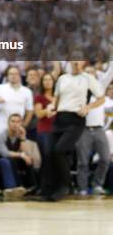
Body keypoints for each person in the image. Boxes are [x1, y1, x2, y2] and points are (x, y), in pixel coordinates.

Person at [41, 60, 104, 201]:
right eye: (73, 60)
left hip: (76, 119)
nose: (75, 62)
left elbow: (101, 99)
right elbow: (57, 99)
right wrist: (52, 108)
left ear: (83, 63)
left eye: (79, 60)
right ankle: (49, 189)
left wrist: (88, 107)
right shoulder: (63, 78)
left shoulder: (88, 78)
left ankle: (65, 186)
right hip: (60, 118)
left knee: (60, 150)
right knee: (50, 152)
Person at [76, 61, 113, 196]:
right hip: (83, 129)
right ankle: (82, 188)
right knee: (83, 162)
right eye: (87, 73)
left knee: (105, 158)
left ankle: (97, 184)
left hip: (99, 129)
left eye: (92, 73)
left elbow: (110, 72)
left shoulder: (100, 87)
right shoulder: (78, 89)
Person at [34, 72, 57, 160]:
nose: (47, 82)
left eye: (50, 79)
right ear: (42, 83)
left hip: (58, 130)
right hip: (45, 131)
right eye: (45, 80)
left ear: (54, 82)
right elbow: (39, 114)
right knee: (47, 155)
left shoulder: (58, 97)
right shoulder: (39, 97)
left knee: (56, 156)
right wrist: (49, 109)